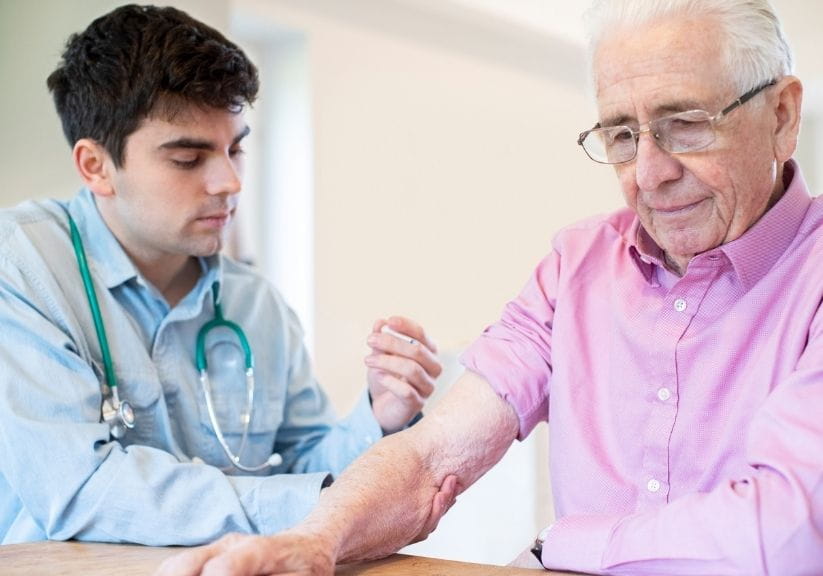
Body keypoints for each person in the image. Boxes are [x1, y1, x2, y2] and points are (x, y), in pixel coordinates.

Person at [156, 0, 823, 574]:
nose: (647, 174)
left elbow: (787, 533)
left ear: (781, 116)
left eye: (683, 124)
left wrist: (562, 545)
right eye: (620, 134)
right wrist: (312, 541)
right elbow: (431, 456)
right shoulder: (577, 262)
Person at [0, 4, 442, 546]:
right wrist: (312, 503)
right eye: (189, 158)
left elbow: (309, 462)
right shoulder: (22, 268)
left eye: (237, 148)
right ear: (96, 166)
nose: (229, 182)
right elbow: (80, 491)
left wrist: (380, 416)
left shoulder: (256, 305)